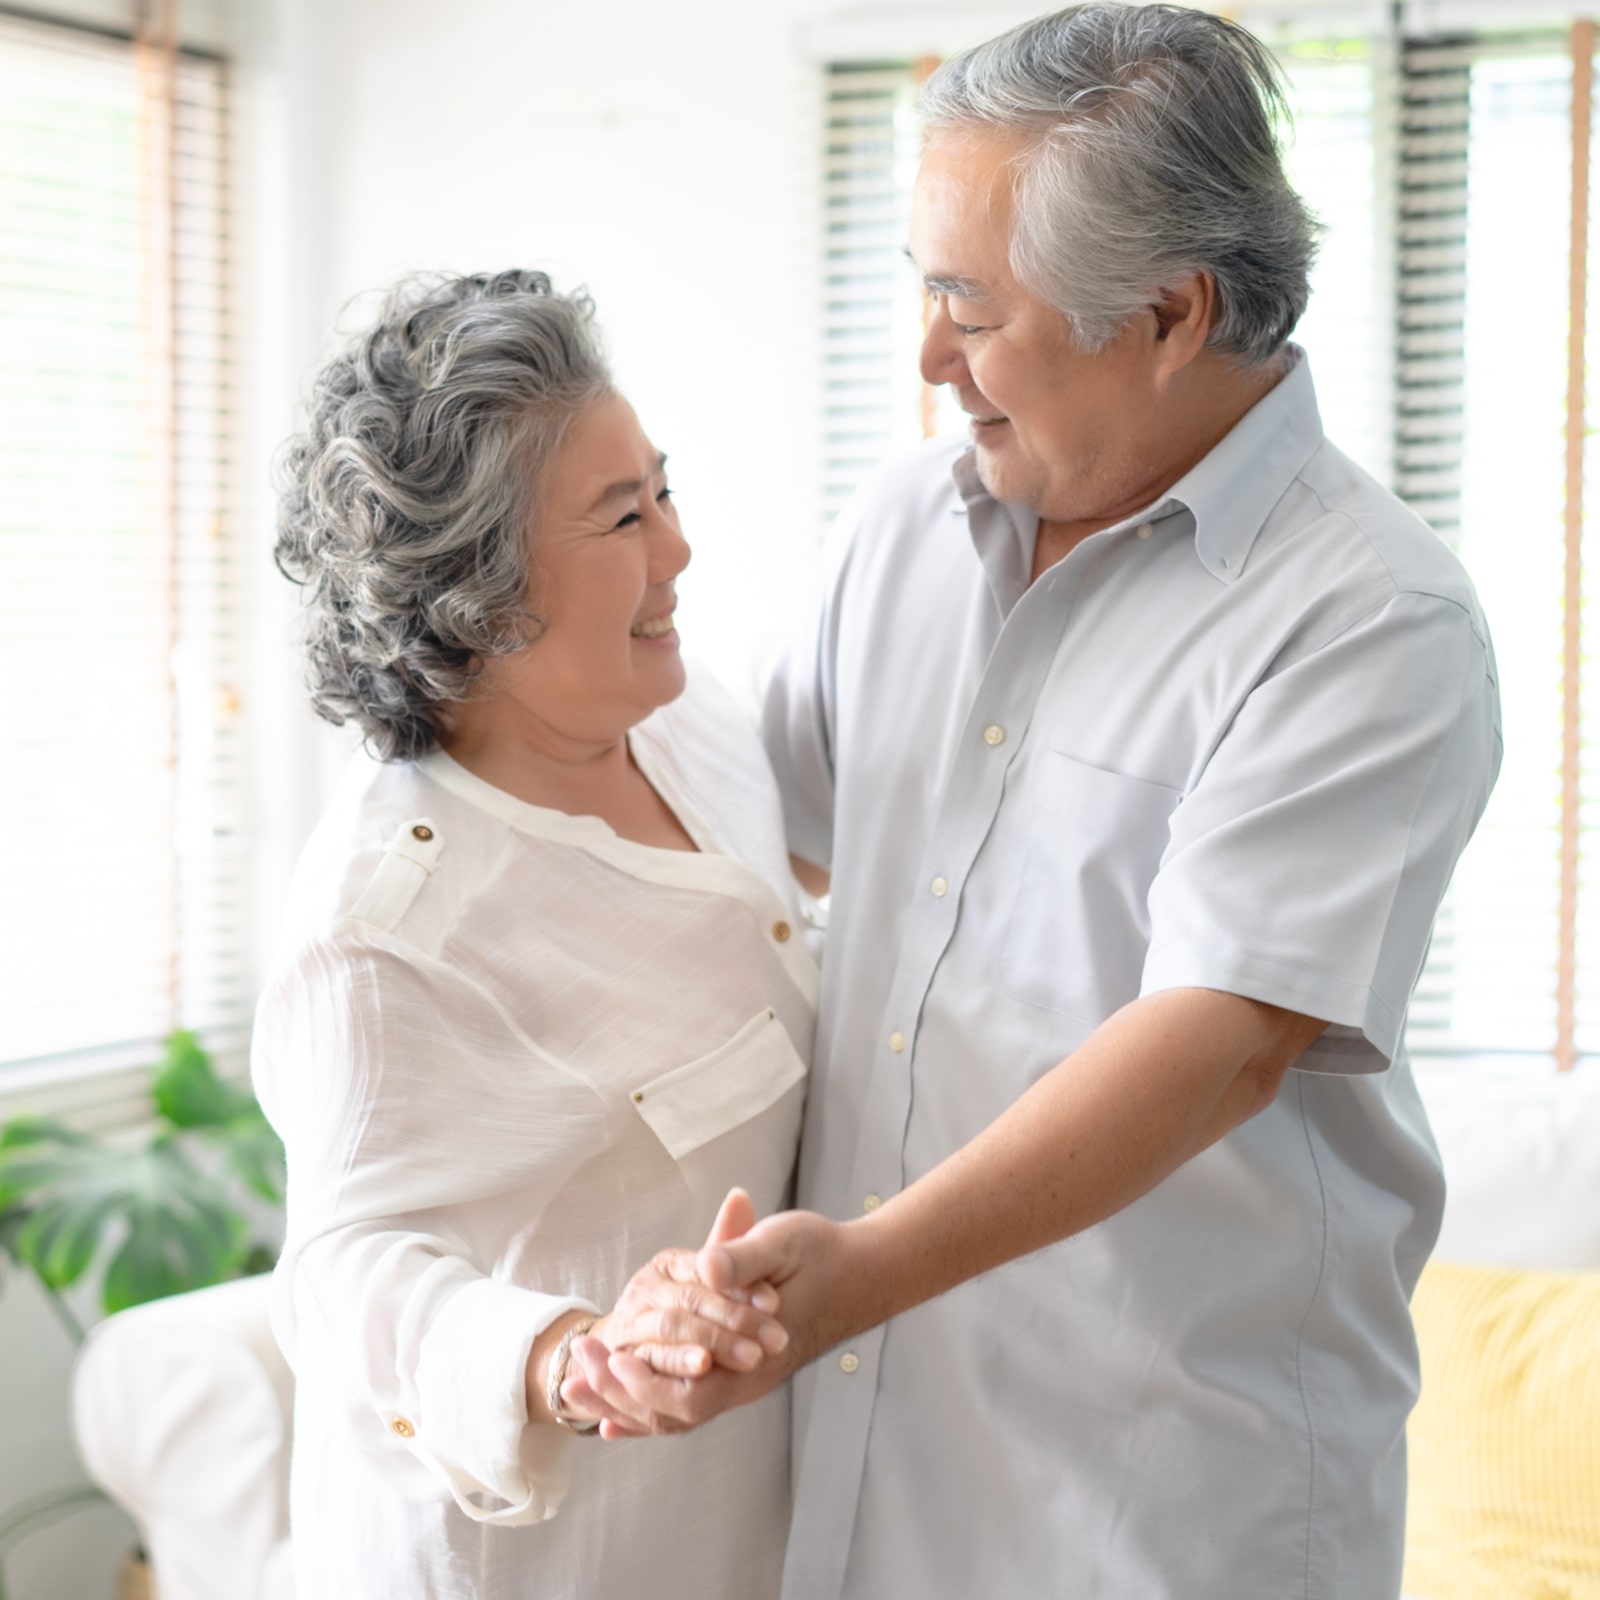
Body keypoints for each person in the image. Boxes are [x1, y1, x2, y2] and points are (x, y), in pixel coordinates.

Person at [562, 8, 1502, 1598]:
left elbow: (1214, 1050)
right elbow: (740, 860)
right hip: (862, 1490)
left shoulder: (1370, 622)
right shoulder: (904, 528)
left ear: (1168, 312)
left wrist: (858, 1274)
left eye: (968, 307)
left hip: (1161, 1515)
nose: (926, 355)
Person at [252, 269, 815, 1599]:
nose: (677, 550)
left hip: (727, 1528)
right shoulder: (386, 926)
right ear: (486, 603)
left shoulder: (691, 723)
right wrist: (569, 1354)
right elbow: (341, 1274)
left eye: (662, 491)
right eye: (624, 518)